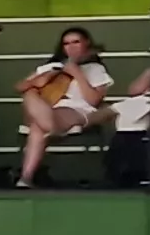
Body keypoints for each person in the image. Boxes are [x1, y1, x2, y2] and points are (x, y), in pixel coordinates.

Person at [17, 27, 130, 186]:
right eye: (66, 43)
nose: (71, 47)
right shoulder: (51, 67)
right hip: (47, 108)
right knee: (29, 94)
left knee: (36, 128)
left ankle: (25, 178)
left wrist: (77, 73)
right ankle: (49, 127)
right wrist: (40, 80)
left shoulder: (95, 69)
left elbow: (93, 100)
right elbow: (19, 86)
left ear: (86, 44)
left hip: (77, 110)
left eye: (76, 42)